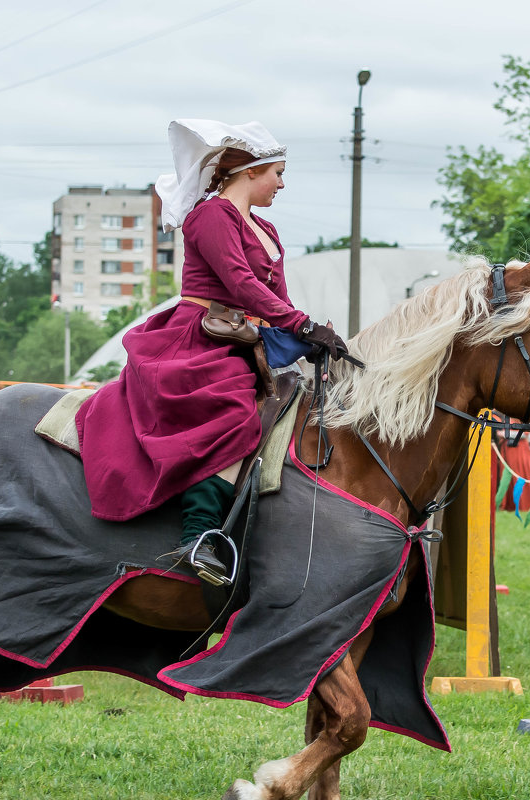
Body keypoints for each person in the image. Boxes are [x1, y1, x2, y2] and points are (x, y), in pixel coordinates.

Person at [75, 119, 348, 585]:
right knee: (232, 414)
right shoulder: (210, 215)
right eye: (277, 173)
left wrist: (310, 333)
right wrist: (301, 324)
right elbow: (238, 283)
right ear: (250, 172)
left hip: (245, 340)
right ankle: (199, 537)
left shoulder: (268, 230)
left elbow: (274, 298)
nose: (282, 183)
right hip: (197, 340)